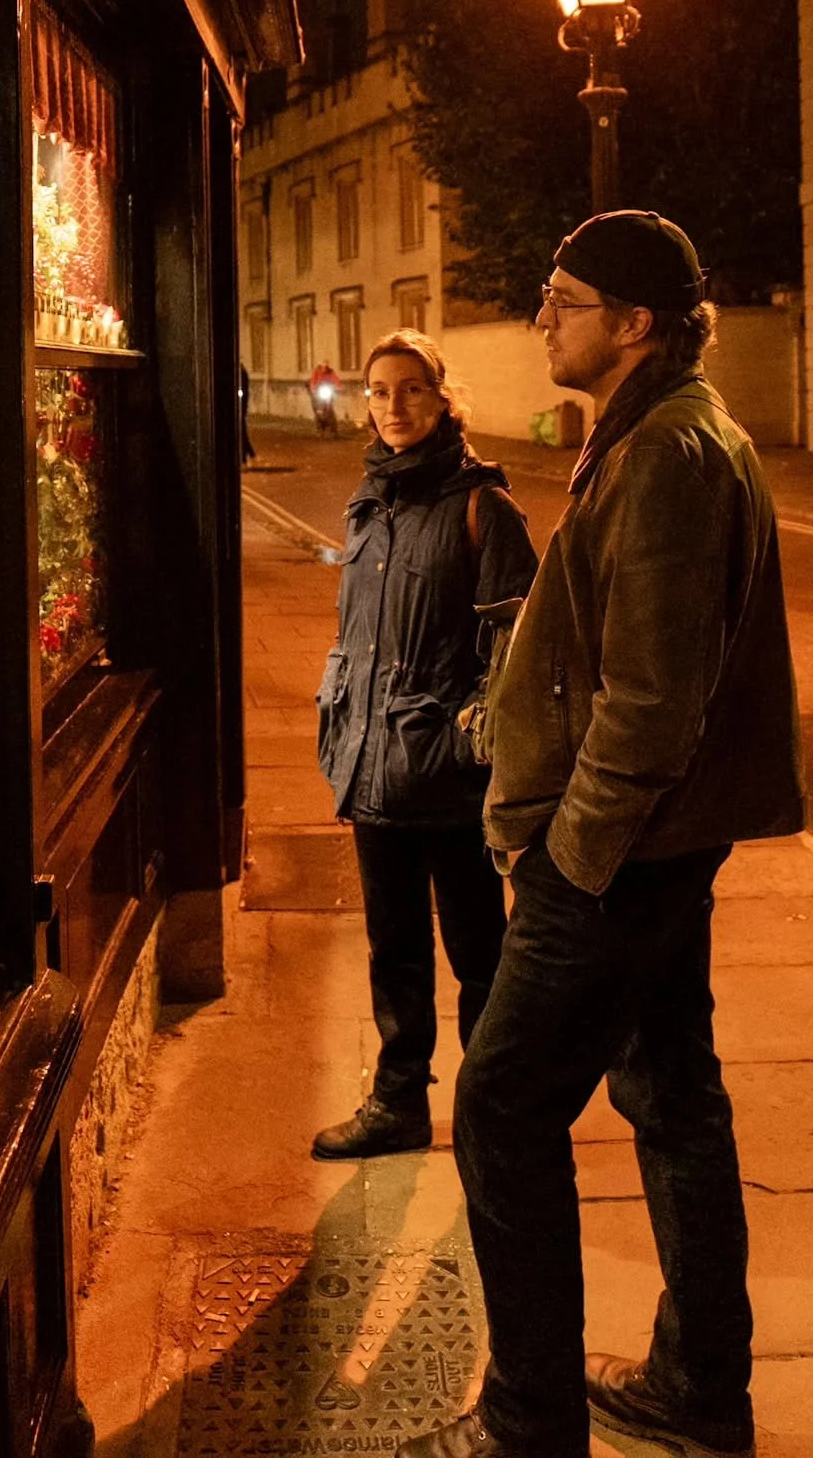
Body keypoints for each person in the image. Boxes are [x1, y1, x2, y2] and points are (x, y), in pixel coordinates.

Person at [401, 212, 805, 1458]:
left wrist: (562, 857)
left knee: (504, 1104)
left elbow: (653, 701)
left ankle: (529, 1426)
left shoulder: (673, 451)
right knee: (671, 1089)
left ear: (635, 323)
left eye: (563, 301)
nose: (541, 320)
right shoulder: (649, 436)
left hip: (624, 853)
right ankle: (699, 1389)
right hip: (657, 846)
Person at [312, 329, 538, 1161]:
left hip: (451, 776)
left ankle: (493, 1113)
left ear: (444, 399)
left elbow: (524, 650)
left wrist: (463, 740)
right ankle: (398, 1103)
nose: (393, 406)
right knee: (394, 951)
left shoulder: (483, 506)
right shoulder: (369, 503)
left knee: (482, 953)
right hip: (375, 768)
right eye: (378, 391)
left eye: (411, 389)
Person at [307, 358, 342, 436]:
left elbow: (336, 379)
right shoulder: (317, 372)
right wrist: (313, 389)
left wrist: (338, 386)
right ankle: (319, 429)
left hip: (328, 392)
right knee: (318, 410)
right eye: (323, 366)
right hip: (319, 392)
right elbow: (313, 381)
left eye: (326, 366)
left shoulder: (331, 372)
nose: (324, 368)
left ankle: (334, 430)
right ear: (320, 365)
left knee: (330, 409)